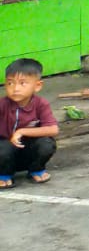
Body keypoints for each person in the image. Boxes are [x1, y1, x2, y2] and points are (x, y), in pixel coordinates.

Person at [1, 57, 60, 187]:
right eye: (10, 83)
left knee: (46, 144)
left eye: (22, 83)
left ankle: (36, 169)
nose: (15, 88)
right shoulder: (2, 105)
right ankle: (4, 174)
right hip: (4, 154)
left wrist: (22, 131)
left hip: (28, 152)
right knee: (3, 148)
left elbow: (53, 129)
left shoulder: (40, 104)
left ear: (37, 86)